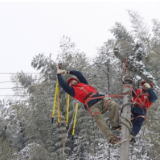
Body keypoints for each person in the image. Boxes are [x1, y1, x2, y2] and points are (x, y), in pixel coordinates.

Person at [57, 67, 121, 144]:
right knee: (100, 121)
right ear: (69, 86)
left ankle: (115, 125)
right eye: (70, 82)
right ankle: (111, 138)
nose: (72, 82)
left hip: (100, 99)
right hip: (92, 106)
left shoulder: (84, 84)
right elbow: (62, 84)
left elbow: (78, 73)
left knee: (114, 105)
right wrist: (59, 75)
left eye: (73, 80)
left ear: (77, 80)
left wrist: (67, 72)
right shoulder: (72, 91)